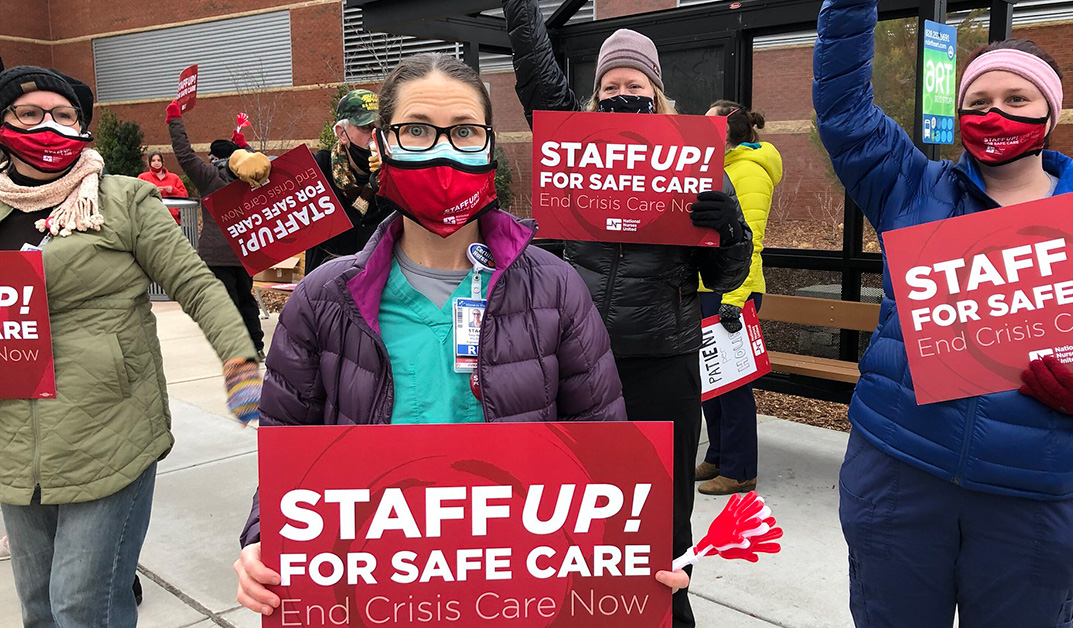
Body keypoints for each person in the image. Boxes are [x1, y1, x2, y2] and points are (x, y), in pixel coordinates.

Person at [231, 53, 687, 616]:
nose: (443, 150)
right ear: (382, 144)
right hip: (371, 593)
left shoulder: (556, 288)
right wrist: (259, 540)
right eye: (417, 130)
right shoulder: (323, 299)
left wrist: (634, 552)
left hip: (521, 592)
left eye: (465, 132)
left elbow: (603, 444)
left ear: (490, 148)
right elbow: (285, 450)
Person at [813, 2, 1073, 626]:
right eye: (979, 99)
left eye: (1018, 99)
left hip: (1040, 501)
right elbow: (844, 112)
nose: (995, 114)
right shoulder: (912, 189)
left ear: (1051, 114)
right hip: (899, 478)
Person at [502, 5, 753, 626]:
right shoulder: (573, 152)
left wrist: (728, 232)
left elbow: (723, 276)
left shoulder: (694, 158)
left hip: (661, 363)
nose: (621, 94)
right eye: (610, 86)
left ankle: (670, 614)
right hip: (575, 357)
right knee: (574, 506)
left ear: (656, 92)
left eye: (634, 86)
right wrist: (520, 12)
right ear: (594, 95)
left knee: (663, 514)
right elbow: (538, 83)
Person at [0, 65, 262, 628]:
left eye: (63, 114)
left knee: (82, 607)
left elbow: (195, 284)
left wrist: (239, 361)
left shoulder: (123, 201)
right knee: (39, 608)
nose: (48, 124)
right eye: (30, 113)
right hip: (15, 442)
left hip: (109, 431)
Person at [695, 101, 782, 496]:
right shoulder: (720, 167)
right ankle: (717, 455)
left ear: (727, 132)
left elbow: (752, 239)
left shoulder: (750, 171)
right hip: (705, 288)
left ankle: (740, 468)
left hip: (733, 291)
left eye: (709, 124)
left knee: (731, 383)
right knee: (710, 382)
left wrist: (735, 295)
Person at [166, 101, 267, 358]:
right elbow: (252, 160)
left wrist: (174, 120)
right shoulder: (251, 177)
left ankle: (237, 350)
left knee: (227, 302)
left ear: (213, 157)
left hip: (217, 254)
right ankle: (256, 344)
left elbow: (185, 154)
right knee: (246, 299)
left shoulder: (210, 177)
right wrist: (241, 144)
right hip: (247, 249)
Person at [303, 89, 389, 272]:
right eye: (366, 128)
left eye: (380, 128)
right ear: (342, 134)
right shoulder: (319, 169)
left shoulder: (394, 176)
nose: (375, 136)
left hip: (378, 287)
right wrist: (232, 166)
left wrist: (393, 177)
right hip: (324, 287)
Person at [137, 150, 188, 223]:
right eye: (153, 160)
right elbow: (138, 196)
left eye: (159, 160)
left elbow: (185, 196)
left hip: (173, 219)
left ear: (162, 162)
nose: (156, 163)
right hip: (151, 219)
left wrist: (173, 190)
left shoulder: (174, 177)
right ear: (149, 163)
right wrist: (153, 191)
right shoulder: (142, 177)